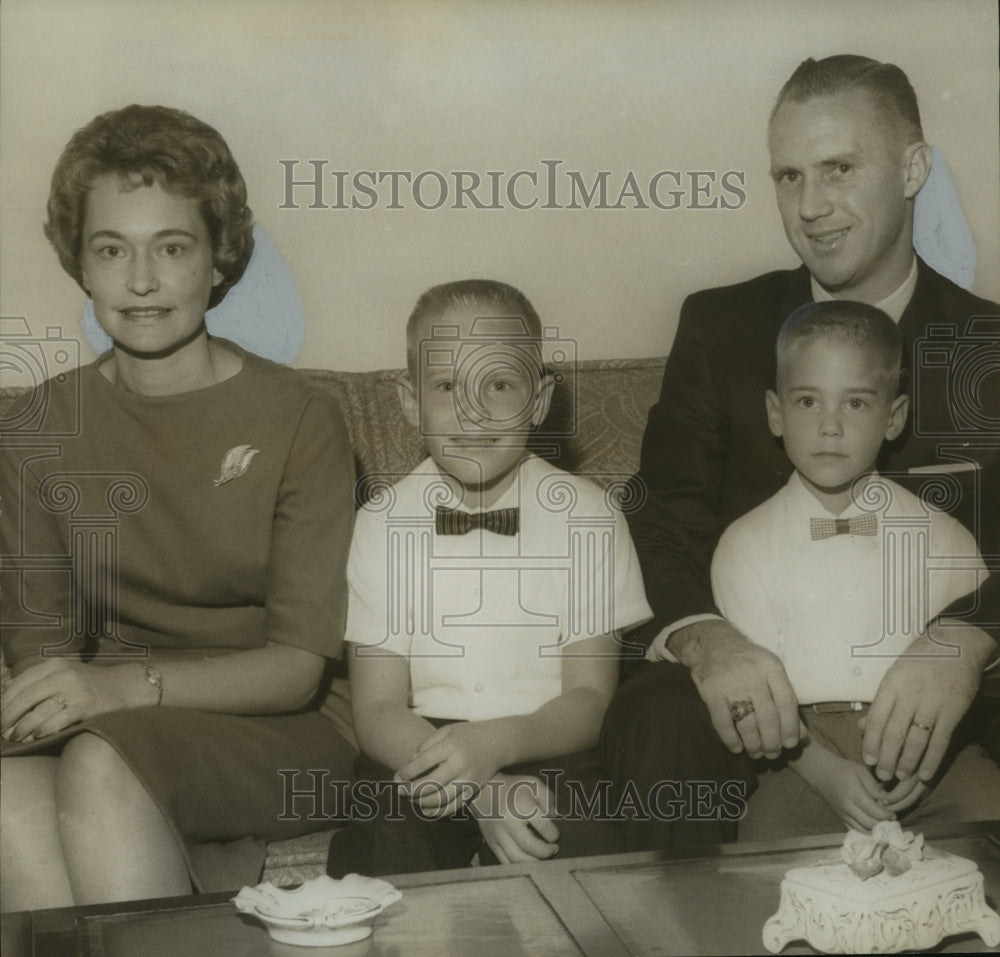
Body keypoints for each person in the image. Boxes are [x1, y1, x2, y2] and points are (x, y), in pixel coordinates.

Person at [601, 54, 1000, 851]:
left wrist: (963, 639)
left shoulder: (987, 344)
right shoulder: (720, 329)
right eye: (788, 177)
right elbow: (660, 520)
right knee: (659, 711)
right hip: (765, 683)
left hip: (958, 679)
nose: (810, 207)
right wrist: (713, 641)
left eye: (840, 169)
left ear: (914, 168)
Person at [0, 105, 357, 909]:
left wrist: (124, 692)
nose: (140, 282)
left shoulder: (299, 416)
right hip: (109, 723)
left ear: (217, 258)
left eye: (172, 247)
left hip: (283, 730)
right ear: (80, 265)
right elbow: (41, 654)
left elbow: (298, 667)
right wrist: (81, 700)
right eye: (110, 249)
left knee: (102, 762)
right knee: (7, 802)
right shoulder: (33, 428)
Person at [326, 279, 652, 875]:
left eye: (498, 383)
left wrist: (496, 747)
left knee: (581, 846)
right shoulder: (381, 522)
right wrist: (482, 785)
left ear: (539, 398)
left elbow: (589, 698)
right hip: (418, 746)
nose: (473, 411)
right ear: (408, 400)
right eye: (447, 386)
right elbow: (375, 709)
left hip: (549, 741)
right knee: (389, 844)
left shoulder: (589, 515)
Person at [711, 301, 1000, 838]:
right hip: (803, 755)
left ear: (894, 419)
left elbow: (973, 679)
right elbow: (753, 704)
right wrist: (828, 775)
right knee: (763, 845)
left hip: (933, 755)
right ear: (776, 413)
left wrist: (926, 757)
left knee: (991, 816)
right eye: (807, 401)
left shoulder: (944, 537)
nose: (829, 427)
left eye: (857, 404)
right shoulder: (744, 545)